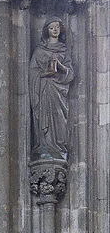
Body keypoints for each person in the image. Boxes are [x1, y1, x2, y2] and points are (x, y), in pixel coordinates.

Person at [29, 18, 75, 160]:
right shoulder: (39, 51)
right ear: (46, 31)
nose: (55, 30)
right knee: (44, 118)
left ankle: (58, 147)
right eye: (51, 28)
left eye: (57, 27)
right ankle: (44, 145)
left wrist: (61, 67)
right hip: (43, 89)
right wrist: (44, 74)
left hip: (58, 90)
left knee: (59, 118)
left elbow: (70, 73)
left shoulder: (64, 50)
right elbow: (32, 73)